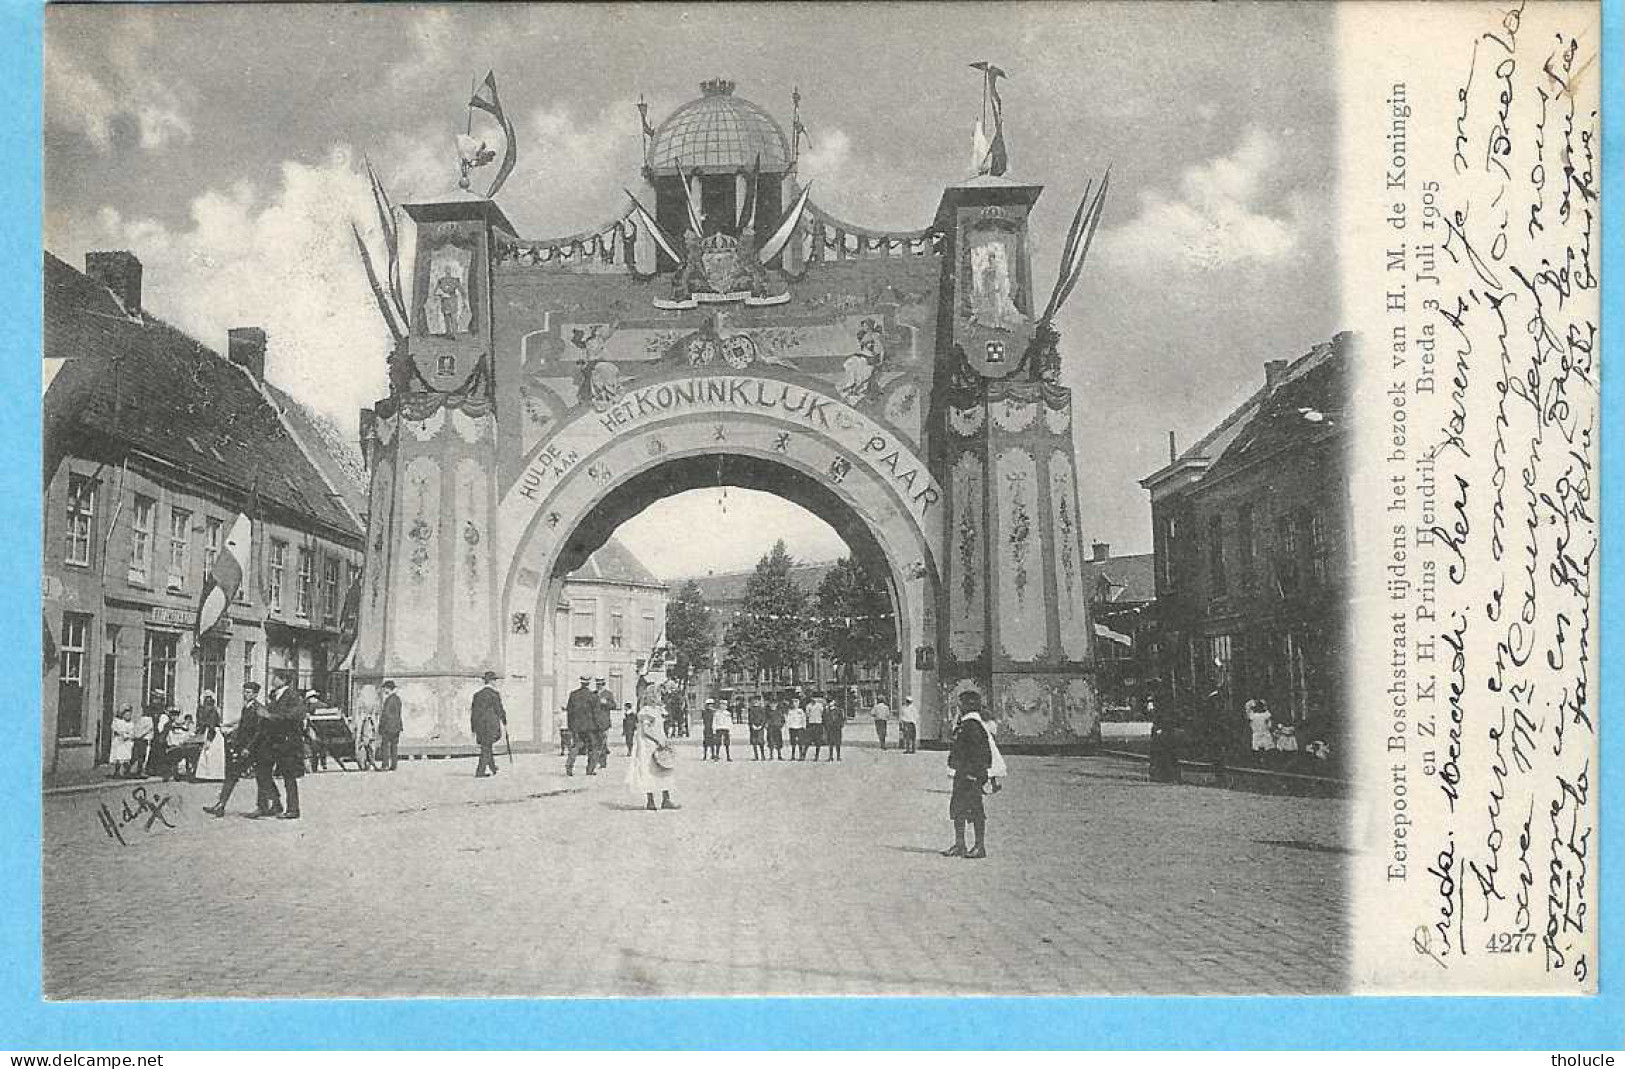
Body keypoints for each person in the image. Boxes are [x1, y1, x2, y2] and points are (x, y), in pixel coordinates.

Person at [204, 681, 282, 817]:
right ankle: (221, 805)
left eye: (249, 692)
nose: (245, 695)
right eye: (244, 692)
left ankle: (269, 806)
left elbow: (258, 732)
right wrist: (231, 732)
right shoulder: (247, 707)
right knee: (234, 774)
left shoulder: (259, 709)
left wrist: (247, 748)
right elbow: (242, 725)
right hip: (248, 749)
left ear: (256, 694)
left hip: (259, 749)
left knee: (263, 777)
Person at [943, 696, 994, 859]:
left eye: (961, 704)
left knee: (975, 810)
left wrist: (975, 774)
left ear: (967, 706)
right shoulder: (966, 724)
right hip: (962, 773)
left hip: (970, 775)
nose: (959, 707)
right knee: (958, 808)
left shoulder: (973, 726)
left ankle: (979, 846)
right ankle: (960, 844)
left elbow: (982, 754)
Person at [256, 673, 307, 819]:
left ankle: (293, 809)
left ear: (284, 680)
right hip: (272, 740)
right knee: (262, 771)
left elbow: (293, 716)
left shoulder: (293, 697)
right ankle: (274, 803)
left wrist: (270, 716)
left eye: (276, 678)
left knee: (288, 776)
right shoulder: (273, 695)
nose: (273, 680)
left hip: (287, 741)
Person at [626, 701, 679, 811]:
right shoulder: (646, 711)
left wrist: (664, 739)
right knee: (649, 770)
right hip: (648, 745)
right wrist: (658, 739)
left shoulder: (658, 710)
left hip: (659, 742)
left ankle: (666, 799)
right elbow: (646, 730)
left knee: (664, 768)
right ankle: (650, 800)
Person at [470, 671, 507, 777]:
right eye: (495, 680)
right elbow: (499, 709)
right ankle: (480, 771)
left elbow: (474, 712)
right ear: (492, 681)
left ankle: (493, 767)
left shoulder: (477, 695)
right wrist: (504, 720)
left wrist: (473, 728)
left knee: (487, 745)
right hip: (490, 725)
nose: (496, 682)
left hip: (479, 725)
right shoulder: (494, 694)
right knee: (486, 748)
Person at [564, 675, 598, 776]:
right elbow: (596, 713)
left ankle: (569, 767)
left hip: (576, 727)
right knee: (592, 748)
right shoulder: (593, 696)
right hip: (590, 727)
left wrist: (570, 726)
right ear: (588, 683)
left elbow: (569, 711)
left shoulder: (573, 695)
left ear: (581, 682)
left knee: (575, 747)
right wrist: (599, 727)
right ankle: (590, 769)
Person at [1147, 695, 1182, 784]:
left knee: (1166, 754)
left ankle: (1168, 775)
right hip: (1164, 730)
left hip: (1166, 731)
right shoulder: (1164, 708)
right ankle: (1164, 775)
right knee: (1162, 753)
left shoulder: (1164, 708)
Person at [378, 680, 403, 772]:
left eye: (385, 688)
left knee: (385, 746)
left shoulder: (389, 700)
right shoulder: (397, 699)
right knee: (394, 746)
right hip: (397, 726)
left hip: (388, 726)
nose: (384, 690)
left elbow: (386, 714)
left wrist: (381, 726)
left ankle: (385, 765)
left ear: (388, 689)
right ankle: (394, 765)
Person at [108, 705, 136, 778]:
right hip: (119, 742)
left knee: (126, 758)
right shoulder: (118, 722)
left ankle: (127, 772)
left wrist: (128, 735)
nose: (128, 716)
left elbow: (132, 733)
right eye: (126, 714)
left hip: (127, 743)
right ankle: (117, 772)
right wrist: (122, 734)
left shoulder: (131, 724)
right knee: (119, 757)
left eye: (129, 714)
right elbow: (116, 730)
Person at [593, 678, 615, 770]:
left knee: (603, 742)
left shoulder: (608, 694)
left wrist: (606, 703)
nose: (599, 686)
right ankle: (595, 761)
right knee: (594, 743)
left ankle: (603, 762)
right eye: (597, 684)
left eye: (601, 684)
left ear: (603, 684)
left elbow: (614, 705)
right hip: (594, 722)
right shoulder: (593, 694)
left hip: (604, 722)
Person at [802, 691, 825, 761]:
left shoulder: (820, 705)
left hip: (818, 724)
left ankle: (817, 756)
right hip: (811, 724)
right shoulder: (808, 706)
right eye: (813, 698)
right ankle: (803, 755)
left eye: (816, 698)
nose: (814, 700)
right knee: (807, 741)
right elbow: (807, 715)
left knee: (818, 741)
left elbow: (823, 714)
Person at [823, 694, 844, 761]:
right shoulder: (826, 710)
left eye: (831, 701)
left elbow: (841, 719)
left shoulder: (838, 710)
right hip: (830, 728)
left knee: (838, 743)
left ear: (834, 702)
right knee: (830, 743)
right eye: (828, 702)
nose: (830, 703)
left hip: (837, 728)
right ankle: (830, 757)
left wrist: (840, 725)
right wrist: (826, 726)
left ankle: (838, 756)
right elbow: (824, 719)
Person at [785, 693, 806, 760]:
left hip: (799, 727)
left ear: (798, 703)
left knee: (800, 742)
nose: (795, 704)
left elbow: (803, 719)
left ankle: (800, 755)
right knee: (793, 742)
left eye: (796, 702)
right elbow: (788, 720)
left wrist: (804, 726)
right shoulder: (790, 711)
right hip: (792, 728)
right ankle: (793, 756)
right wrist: (788, 727)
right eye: (793, 702)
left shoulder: (801, 711)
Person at [765, 695, 786, 760]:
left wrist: (781, 725)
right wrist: (766, 725)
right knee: (770, 741)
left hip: (777, 728)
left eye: (774, 704)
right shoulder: (767, 712)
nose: (773, 705)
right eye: (771, 704)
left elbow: (783, 720)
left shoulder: (779, 711)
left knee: (778, 741)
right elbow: (765, 719)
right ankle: (771, 756)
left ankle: (779, 755)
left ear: (777, 704)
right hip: (770, 728)